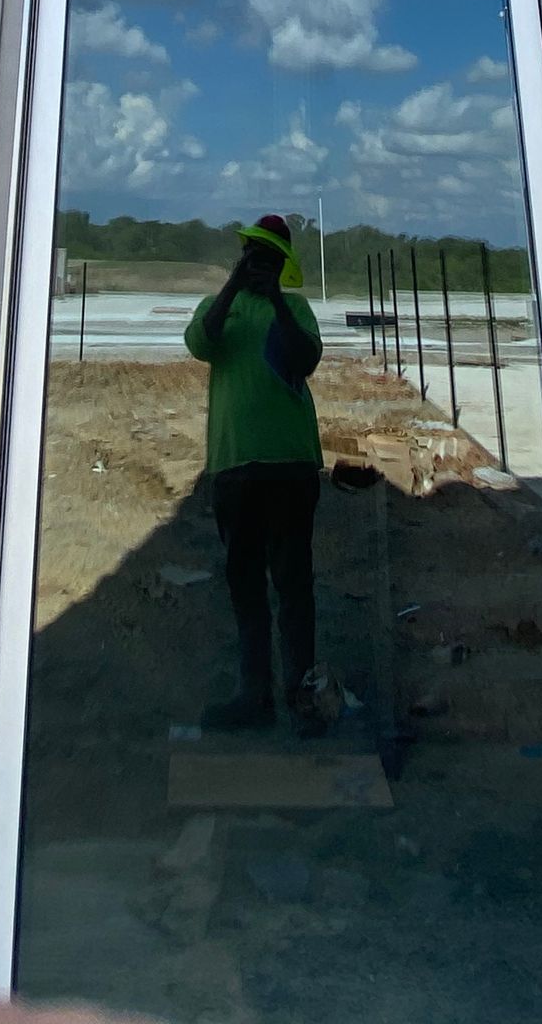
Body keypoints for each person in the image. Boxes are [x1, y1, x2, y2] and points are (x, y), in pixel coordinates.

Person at [183, 212, 324, 737]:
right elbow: (200, 343)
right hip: (234, 465)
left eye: (268, 259)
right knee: (245, 583)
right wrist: (231, 287)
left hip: (289, 465)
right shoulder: (220, 307)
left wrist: (279, 301)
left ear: (282, 265)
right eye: (251, 256)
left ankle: (301, 696)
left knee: (293, 582)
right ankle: (255, 694)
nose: (258, 265)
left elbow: (305, 359)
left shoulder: (299, 308)